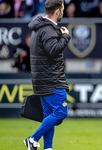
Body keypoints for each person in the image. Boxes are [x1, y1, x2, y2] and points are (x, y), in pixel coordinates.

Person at [23, 0, 71, 150]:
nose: (64, 11)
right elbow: (53, 49)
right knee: (61, 112)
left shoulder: (39, 28)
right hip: (52, 80)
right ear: (57, 11)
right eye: (63, 8)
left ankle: (48, 148)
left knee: (49, 115)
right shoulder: (48, 29)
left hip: (42, 80)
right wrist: (65, 37)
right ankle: (32, 138)